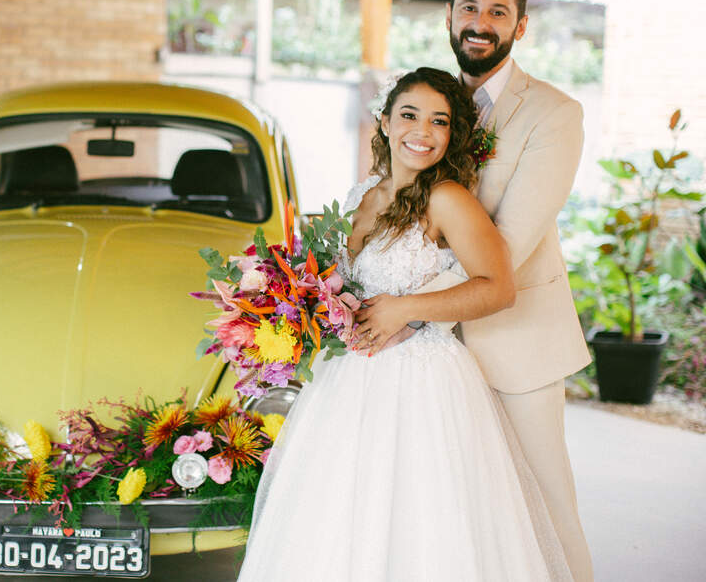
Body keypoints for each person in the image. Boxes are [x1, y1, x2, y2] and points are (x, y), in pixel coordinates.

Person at [238, 68, 572, 581]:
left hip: (421, 383)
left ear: (451, 134)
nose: (423, 131)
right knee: (339, 516)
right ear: (386, 122)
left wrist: (405, 307)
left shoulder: (448, 199)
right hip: (348, 382)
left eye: (439, 121)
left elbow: (498, 287)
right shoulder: (358, 196)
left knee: (423, 520)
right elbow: (335, 284)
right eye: (410, 115)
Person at [411, 0, 593, 582]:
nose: (479, 23)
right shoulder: (426, 105)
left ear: (520, 26)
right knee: (456, 510)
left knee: (544, 503)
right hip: (431, 354)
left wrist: (402, 305)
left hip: (517, 341)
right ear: (449, 15)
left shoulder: (553, 113)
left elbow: (508, 243)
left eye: (497, 11)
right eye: (469, 8)